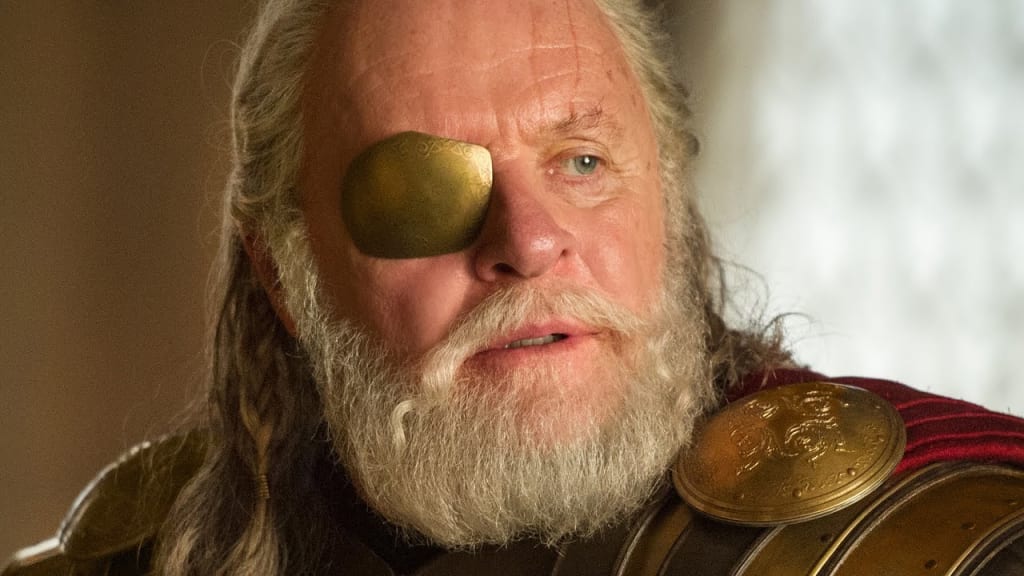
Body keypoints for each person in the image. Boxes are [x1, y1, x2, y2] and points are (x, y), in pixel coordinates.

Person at [5, 0, 1024, 574]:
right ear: (284, 272)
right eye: (420, 192)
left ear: (670, 203)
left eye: (582, 162)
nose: (529, 244)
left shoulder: (953, 539)